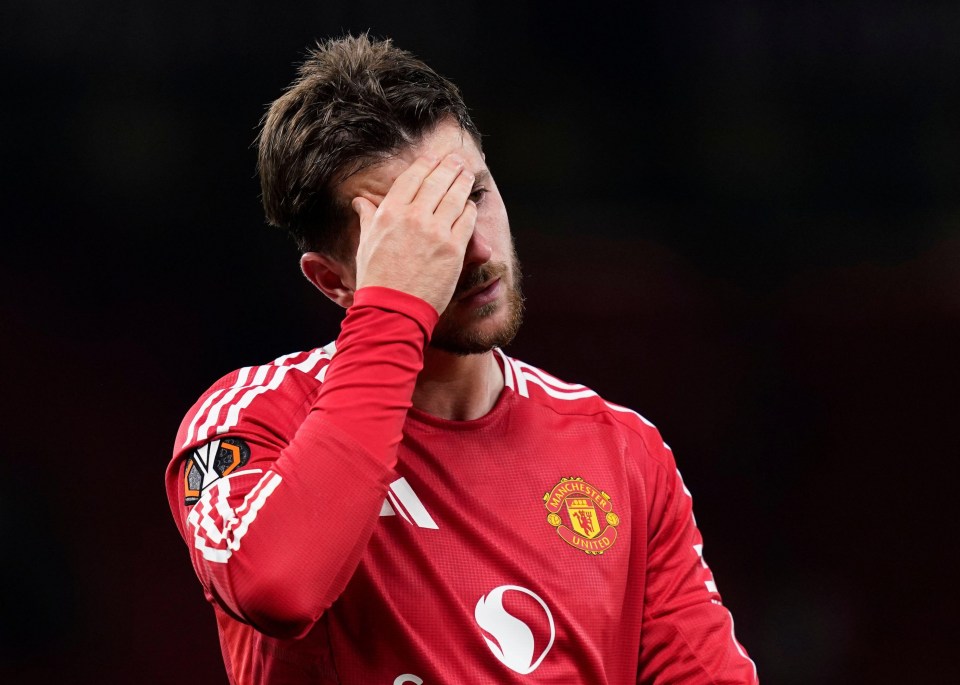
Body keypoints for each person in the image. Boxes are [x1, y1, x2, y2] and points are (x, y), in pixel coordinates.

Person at [165, 33, 759, 684]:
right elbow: (280, 587)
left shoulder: (623, 452)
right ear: (333, 280)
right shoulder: (252, 419)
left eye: (472, 195)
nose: (473, 250)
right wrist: (394, 308)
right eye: (417, 232)